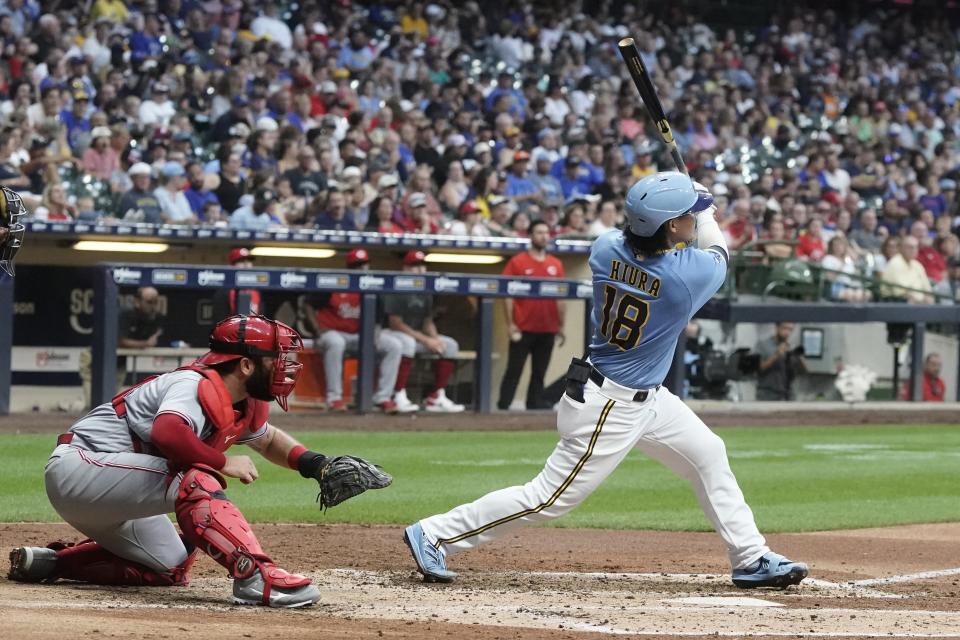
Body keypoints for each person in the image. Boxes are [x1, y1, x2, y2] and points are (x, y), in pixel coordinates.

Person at [404, 172, 808, 589]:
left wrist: (689, 206)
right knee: (548, 498)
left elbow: (649, 231)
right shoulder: (683, 279)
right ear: (669, 226)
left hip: (643, 396)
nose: (690, 218)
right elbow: (717, 247)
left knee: (708, 453)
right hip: (609, 406)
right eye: (684, 215)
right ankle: (435, 533)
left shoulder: (604, 248)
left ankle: (750, 557)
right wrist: (706, 210)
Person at [5, 314, 353, 608]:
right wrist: (222, 461)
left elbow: (268, 440)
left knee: (168, 566)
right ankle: (254, 576)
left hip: (113, 491)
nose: (285, 366)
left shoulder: (241, 399)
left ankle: (51, 563)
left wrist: (316, 464)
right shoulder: (192, 383)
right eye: (276, 357)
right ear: (246, 364)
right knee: (199, 480)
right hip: (81, 468)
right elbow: (168, 432)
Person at [305, 248, 408, 413]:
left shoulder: (372, 286)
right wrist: (317, 330)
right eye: (356, 265)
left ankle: (383, 397)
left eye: (364, 265)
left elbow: (379, 317)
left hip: (360, 336)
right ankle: (334, 398)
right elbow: (309, 304)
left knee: (393, 345)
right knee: (335, 342)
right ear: (349, 267)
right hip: (334, 333)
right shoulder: (335, 283)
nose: (361, 269)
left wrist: (375, 336)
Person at [381, 250, 466, 413]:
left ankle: (436, 396)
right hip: (391, 334)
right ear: (405, 268)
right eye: (414, 266)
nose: (419, 270)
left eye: (422, 265)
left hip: (416, 337)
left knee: (450, 345)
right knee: (407, 343)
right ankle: (398, 395)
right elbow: (395, 324)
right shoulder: (397, 286)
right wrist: (426, 340)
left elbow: (427, 322)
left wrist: (434, 338)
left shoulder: (425, 290)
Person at [497, 220, 566, 410]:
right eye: (539, 232)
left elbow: (562, 297)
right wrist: (510, 324)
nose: (543, 236)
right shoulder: (518, 261)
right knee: (514, 370)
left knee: (539, 372)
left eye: (546, 232)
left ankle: (533, 408)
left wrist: (561, 325)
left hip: (548, 328)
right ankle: (503, 407)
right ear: (530, 235)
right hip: (523, 327)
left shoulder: (556, 264)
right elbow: (506, 294)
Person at [755, 322, 807, 401]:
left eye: (790, 329)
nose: (787, 332)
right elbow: (758, 369)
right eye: (784, 328)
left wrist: (800, 358)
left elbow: (804, 372)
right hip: (767, 395)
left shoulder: (791, 347)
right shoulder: (763, 345)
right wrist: (776, 355)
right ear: (777, 327)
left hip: (788, 396)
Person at [881, 236, 935, 303]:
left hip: (919, 303)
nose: (913, 250)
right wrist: (919, 301)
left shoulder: (918, 265)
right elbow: (900, 292)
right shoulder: (895, 263)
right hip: (897, 303)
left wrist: (928, 298)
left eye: (916, 247)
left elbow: (927, 289)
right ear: (901, 248)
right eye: (910, 247)